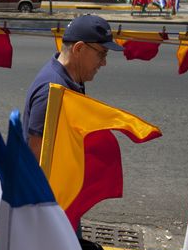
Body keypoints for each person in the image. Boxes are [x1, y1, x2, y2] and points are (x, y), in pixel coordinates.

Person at [22, 14, 123, 160]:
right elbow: (36, 155)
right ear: (79, 49)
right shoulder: (52, 90)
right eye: (101, 54)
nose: (104, 63)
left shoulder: (72, 78)